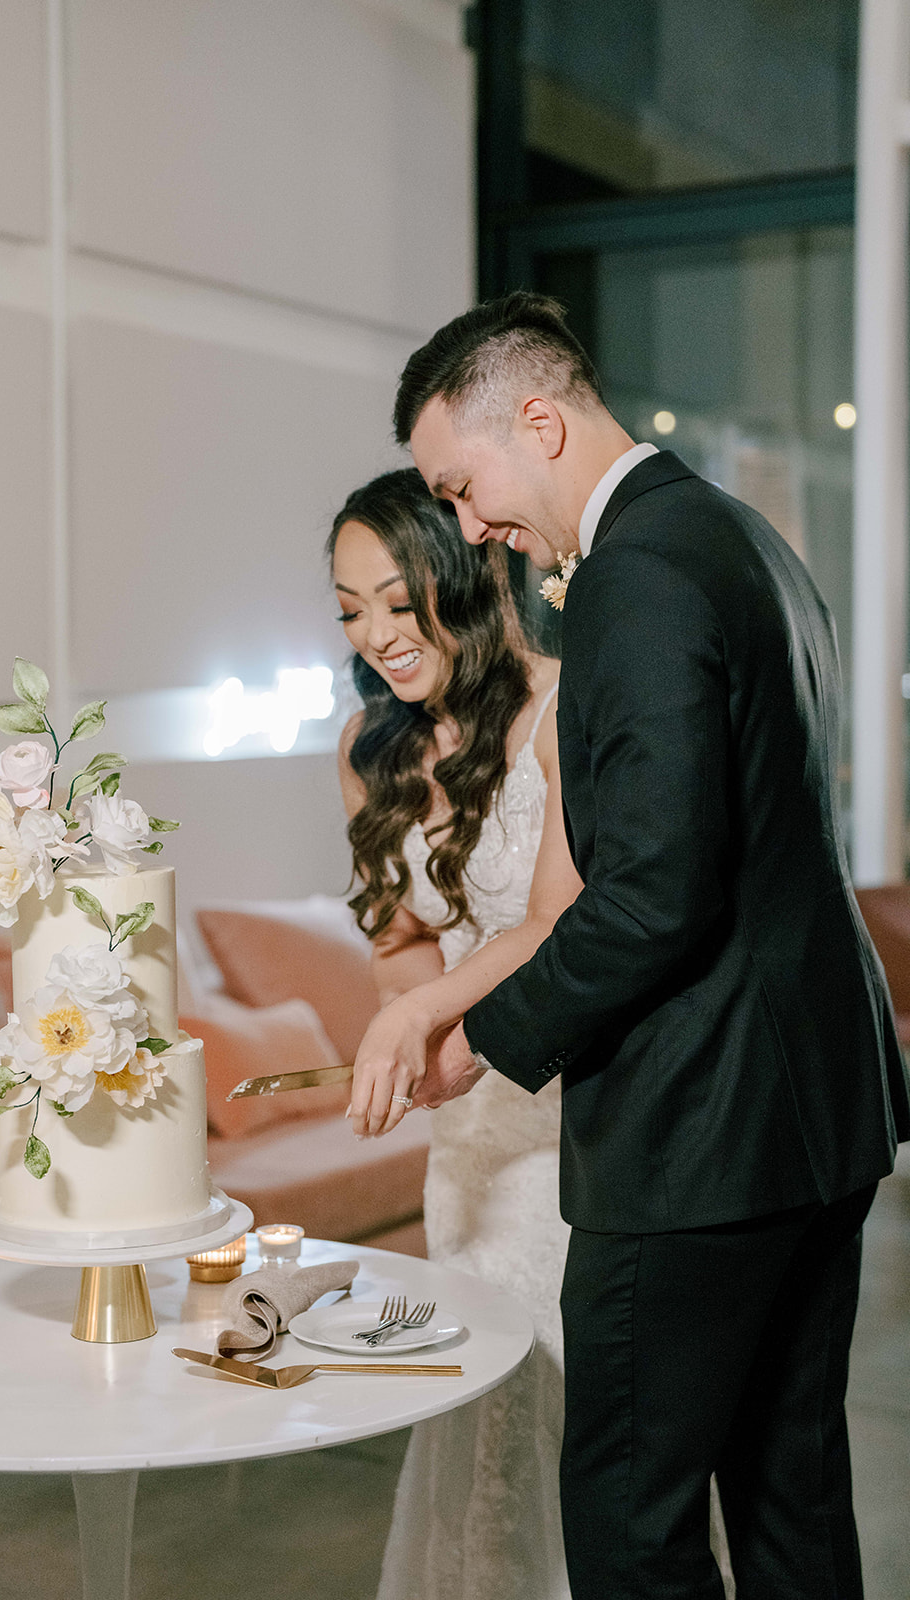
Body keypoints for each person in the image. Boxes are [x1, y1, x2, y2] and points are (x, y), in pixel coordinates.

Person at [348, 292, 910, 1600]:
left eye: (463, 482)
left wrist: (480, 1035)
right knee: (789, 1506)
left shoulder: (634, 575)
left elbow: (655, 891)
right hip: (818, 1114)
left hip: (697, 1131)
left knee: (629, 1528)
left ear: (537, 420)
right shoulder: (744, 539)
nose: (473, 520)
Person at [329, 466, 582, 1599]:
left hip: (576, 1112)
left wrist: (430, 1010)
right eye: (348, 609)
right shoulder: (369, 749)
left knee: (586, 1422)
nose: (377, 635)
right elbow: (398, 944)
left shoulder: (565, 711)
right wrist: (419, 1029)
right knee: (478, 1410)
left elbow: (557, 920)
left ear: (472, 569)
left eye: (396, 597)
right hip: (469, 1142)